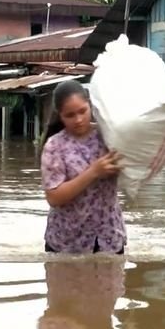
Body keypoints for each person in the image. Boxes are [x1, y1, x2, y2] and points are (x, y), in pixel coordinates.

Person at [40, 80, 126, 254]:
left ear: (90, 106)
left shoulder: (109, 137)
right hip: (66, 242)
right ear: (60, 115)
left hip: (108, 238)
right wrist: (93, 172)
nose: (78, 120)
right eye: (70, 115)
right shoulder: (55, 146)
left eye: (82, 111)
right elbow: (54, 197)